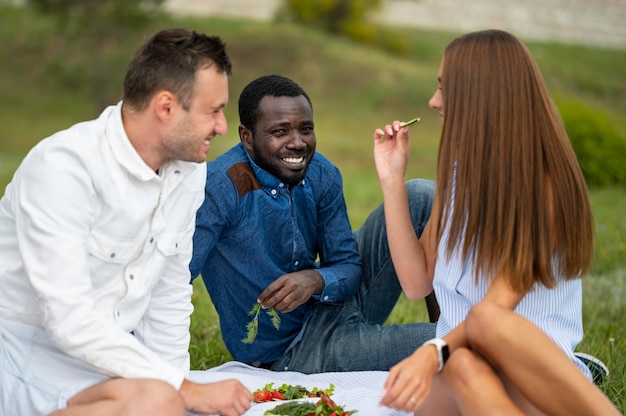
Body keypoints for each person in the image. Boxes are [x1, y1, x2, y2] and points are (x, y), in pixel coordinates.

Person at [0, 28, 252, 416]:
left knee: (165, 403)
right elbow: (68, 320)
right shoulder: (63, 168)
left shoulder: (189, 171)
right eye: (213, 110)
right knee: (158, 402)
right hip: (23, 358)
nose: (221, 127)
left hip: (109, 364)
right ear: (166, 107)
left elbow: (169, 293)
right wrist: (180, 389)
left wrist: (181, 392)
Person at [374, 30, 620, 415]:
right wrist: (392, 181)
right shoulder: (458, 177)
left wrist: (432, 351)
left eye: (444, 87)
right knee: (463, 366)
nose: (433, 101)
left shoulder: (546, 188)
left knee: (480, 331)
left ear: (479, 96)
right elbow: (416, 282)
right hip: (459, 368)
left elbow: (490, 318)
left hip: (529, 379)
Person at [190, 74, 438, 374]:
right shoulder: (219, 188)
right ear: (247, 136)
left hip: (337, 302)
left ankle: (445, 317)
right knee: (454, 342)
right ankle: (446, 333)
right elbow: (175, 277)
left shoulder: (321, 172)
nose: (297, 143)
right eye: (280, 132)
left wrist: (316, 280)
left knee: (422, 195)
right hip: (296, 350)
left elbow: (347, 265)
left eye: (306, 129)